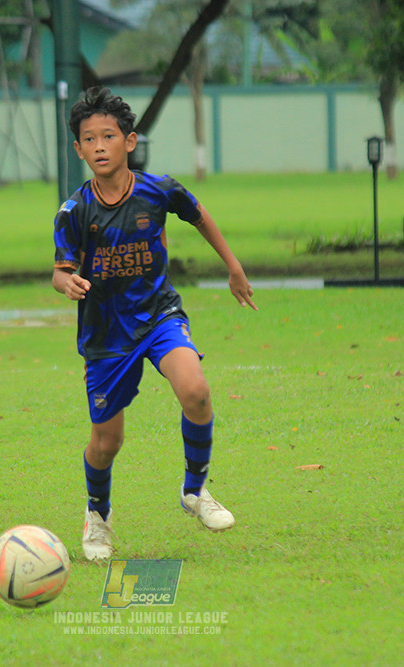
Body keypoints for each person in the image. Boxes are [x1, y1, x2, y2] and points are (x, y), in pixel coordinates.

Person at [51, 87, 257, 560]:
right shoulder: (74, 212)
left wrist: (233, 266)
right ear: (79, 149)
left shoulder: (157, 190)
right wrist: (68, 285)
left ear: (130, 141)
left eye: (109, 135)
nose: (99, 145)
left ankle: (194, 490)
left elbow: (198, 214)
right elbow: (59, 272)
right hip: (105, 334)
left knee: (196, 390)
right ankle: (97, 515)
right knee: (107, 441)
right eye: (89, 139)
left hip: (159, 314)